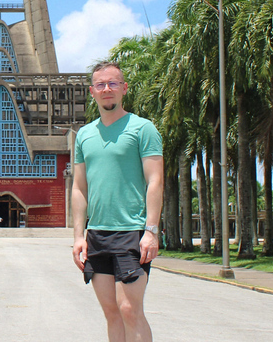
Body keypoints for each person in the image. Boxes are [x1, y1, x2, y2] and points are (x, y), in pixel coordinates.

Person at [71, 61, 164, 342]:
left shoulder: (142, 129)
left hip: (132, 233)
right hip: (98, 234)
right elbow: (78, 188)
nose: (107, 89)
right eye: (100, 84)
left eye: (113, 83)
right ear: (92, 91)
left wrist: (151, 231)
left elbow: (155, 181)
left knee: (129, 309)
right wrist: (79, 236)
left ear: (124, 88)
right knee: (111, 311)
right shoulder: (85, 135)